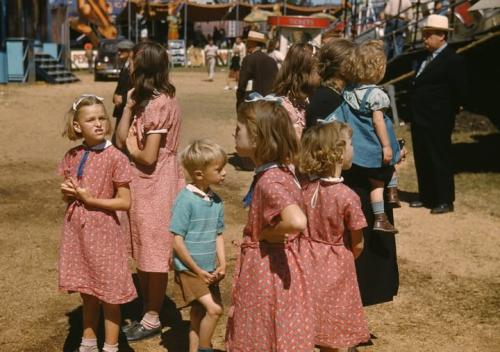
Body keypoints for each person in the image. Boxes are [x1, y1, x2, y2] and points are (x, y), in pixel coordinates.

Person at [306, 38, 399, 308]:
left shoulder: (348, 95)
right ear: (344, 65)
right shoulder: (330, 100)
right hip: (353, 185)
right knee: (356, 254)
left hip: (363, 181)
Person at [226, 98, 314, 351]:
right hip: (283, 268)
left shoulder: (270, 181)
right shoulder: (282, 172)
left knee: (262, 331)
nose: (235, 132)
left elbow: (296, 220)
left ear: (257, 138)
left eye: (240, 128)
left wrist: (267, 233)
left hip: (267, 273)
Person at [115, 41, 185, 341]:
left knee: (155, 248)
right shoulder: (143, 101)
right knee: (144, 245)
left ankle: (153, 315)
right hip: (143, 184)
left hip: (157, 183)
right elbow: (118, 140)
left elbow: (147, 156)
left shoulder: (160, 104)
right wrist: (128, 109)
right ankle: (148, 308)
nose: (129, 66)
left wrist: (132, 146)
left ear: (144, 67)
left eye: (134, 62)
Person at [58, 94, 137, 352]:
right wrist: (69, 191)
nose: (99, 123)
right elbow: (66, 196)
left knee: (110, 294)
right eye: (91, 119)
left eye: (102, 117)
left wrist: (92, 200)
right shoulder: (72, 155)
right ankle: (88, 343)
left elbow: (124, 202)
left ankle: (111, 346)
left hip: (104, 233)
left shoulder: (116, 157)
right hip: (77, 232)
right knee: (88, 291)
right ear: (78, 126)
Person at [298, 121, 370, 352]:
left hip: (305, 261)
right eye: (350, 143)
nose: (353, 148)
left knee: (309, 319)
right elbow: (358, 242)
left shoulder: (305, 189)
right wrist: (346, 258)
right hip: (336, 265)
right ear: (338, 153)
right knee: (334, 325)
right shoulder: (347, 196)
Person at [338, 40, 401, 233]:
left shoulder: (349, 91)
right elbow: (378, 122)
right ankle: (381, 215)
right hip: (375, 145)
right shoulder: (376, 94)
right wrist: (386, 146)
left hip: (360, 145)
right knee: (382, 177)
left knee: (378, 179)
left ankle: (390, 195)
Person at [171, 139, 227, 352]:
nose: (224, 173)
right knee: (214, 310)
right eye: (218, 169)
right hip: (190, 269)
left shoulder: (217, 201)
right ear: (199, 174)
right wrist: (197, 270)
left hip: (209, 269)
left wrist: (222, 264)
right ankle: (205, 348)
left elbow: (218, 235)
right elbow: (177, 240)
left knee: (198, 314)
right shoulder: (185, 201)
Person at [409, 14, 467, 214]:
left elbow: (459, 90)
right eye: (424, 35)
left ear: (441, 35)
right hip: (420, 117)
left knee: (439, 157)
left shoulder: (452, 59)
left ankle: (444, 199)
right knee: (423, 156)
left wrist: (450, 111)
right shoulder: (424, 59)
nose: (425, 39)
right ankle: (427, 196)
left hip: (438, 118)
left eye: (429, 35)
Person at [273, 43, 320, 140]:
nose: (322, 72)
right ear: (305, 70)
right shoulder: (282, 106)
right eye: (318, 67)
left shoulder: (313, 99)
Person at [236, 30, 278, 107]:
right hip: (269, 103)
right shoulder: (272, 61)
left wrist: (239, 101)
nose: (246, 44)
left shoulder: (248, 59)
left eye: (248, 42)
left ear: (253, 43)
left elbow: (242, 84)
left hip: (253, 104)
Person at [112, 40, 134, 132]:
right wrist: (115, 94)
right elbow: (121, 85)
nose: (119, 52)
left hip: (128, 107)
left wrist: (123, 98)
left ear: (130, 52)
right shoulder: (125, 65)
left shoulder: (134, 67)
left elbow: (134, 88)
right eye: (119, 50)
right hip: (121, 107)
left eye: (122, 50)